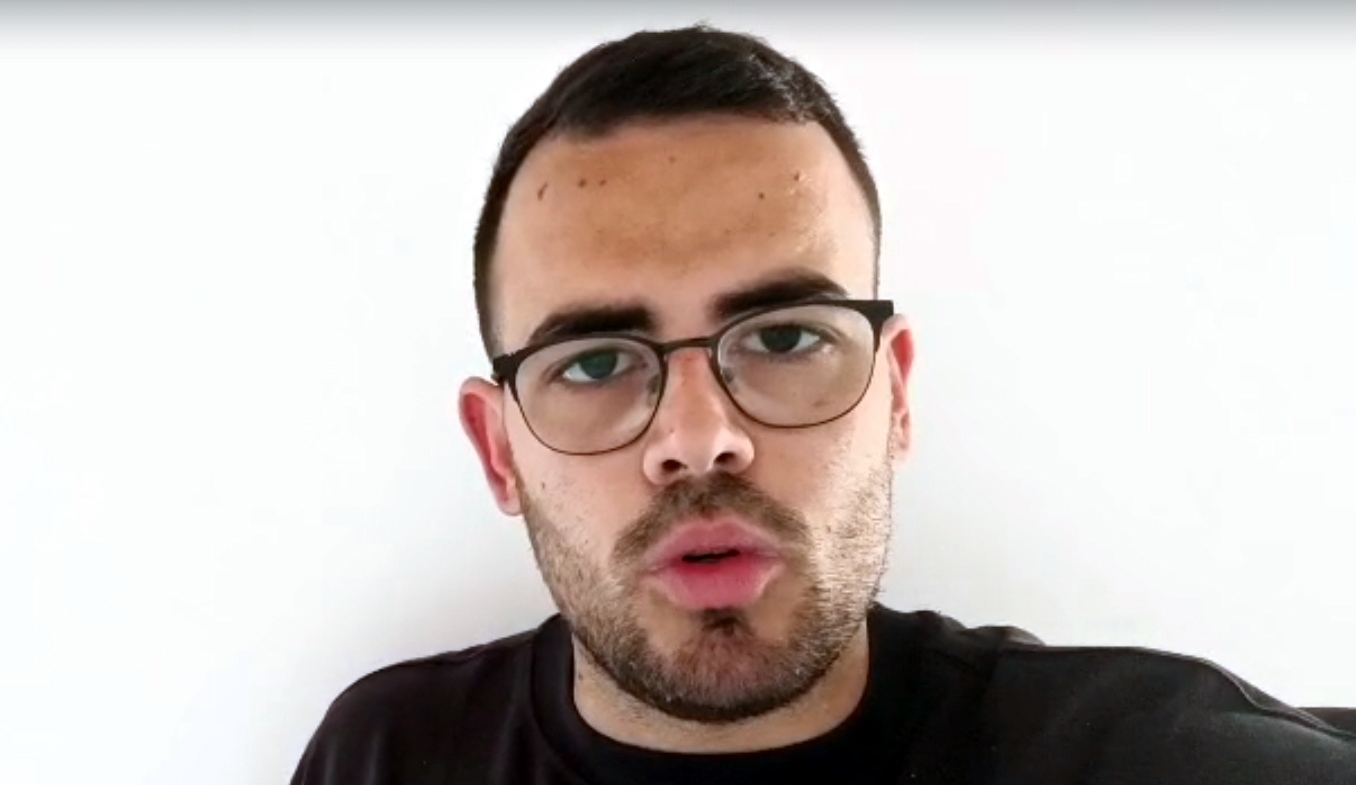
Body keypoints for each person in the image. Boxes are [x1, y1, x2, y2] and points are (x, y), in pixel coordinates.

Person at [289, 25, 1355, 785]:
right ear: (498, 452)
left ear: (894, 393)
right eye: (596, 361)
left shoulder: (1140, 753)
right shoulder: (386, 754)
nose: (701, 437)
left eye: (786, 337)